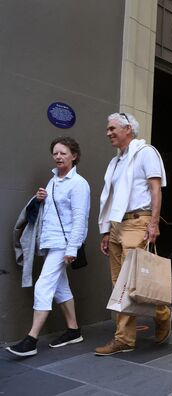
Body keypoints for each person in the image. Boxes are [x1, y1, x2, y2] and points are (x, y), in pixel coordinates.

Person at [95, 112, 171, 356]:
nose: (108, 133)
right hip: (117, 225)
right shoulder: (116, 162)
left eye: (112, 128)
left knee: (131, 284)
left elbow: (155, 189)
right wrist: (106, 231)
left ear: (128, 129)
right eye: (107, 129)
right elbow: (111, 199)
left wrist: (154, 223)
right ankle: (154, 317)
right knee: (119, 285)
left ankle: (126, 338)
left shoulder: (145, 153)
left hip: (138, 222)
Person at [7, 137, 90, 357]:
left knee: (43, 285)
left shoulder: (79, 184)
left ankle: (31, 339)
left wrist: (72, 248)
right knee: (61, 288)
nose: (58, 157)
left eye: (63, 153)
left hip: (64, 244)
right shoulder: (53, 181)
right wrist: (40, 198)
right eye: (55, 153)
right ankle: (73, 330)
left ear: (74, 155)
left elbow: (80, 218)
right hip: (51, 242)